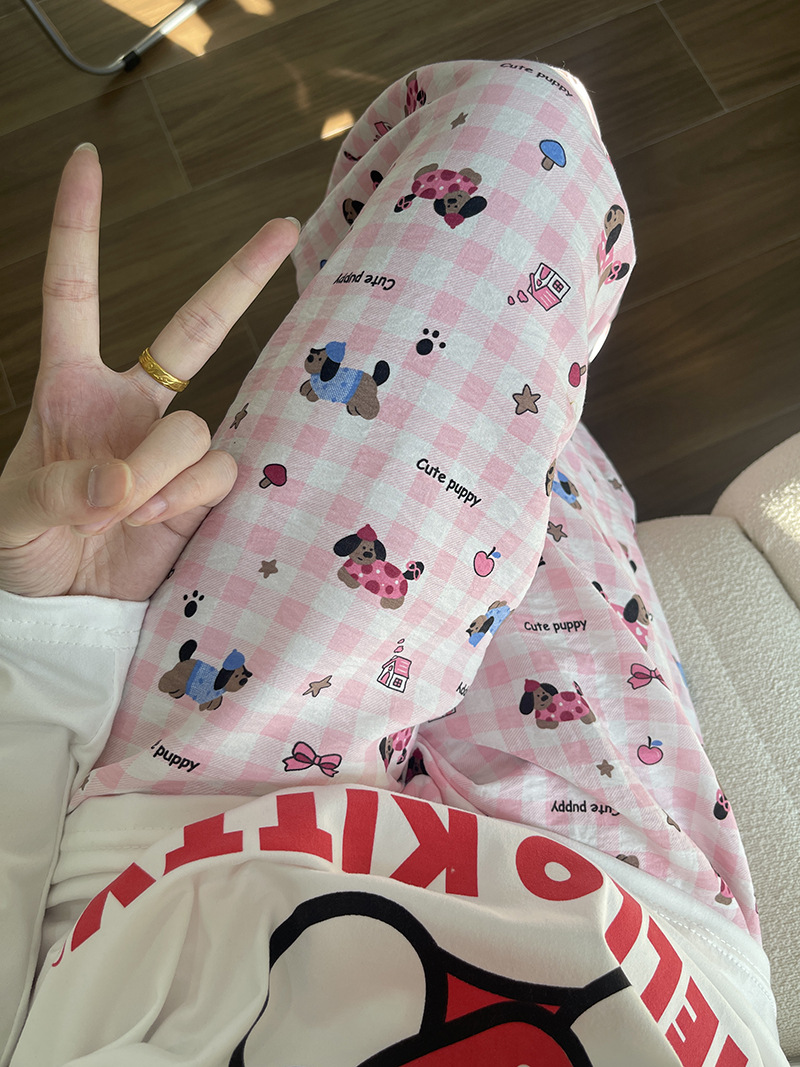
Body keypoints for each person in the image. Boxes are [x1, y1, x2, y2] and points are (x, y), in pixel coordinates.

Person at [0, 60, 788, 1065]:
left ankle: (351, 302)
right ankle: (382, 329)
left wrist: (60, 636)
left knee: (517, 122)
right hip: (643, 940)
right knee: (543, 434)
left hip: (186, 843)